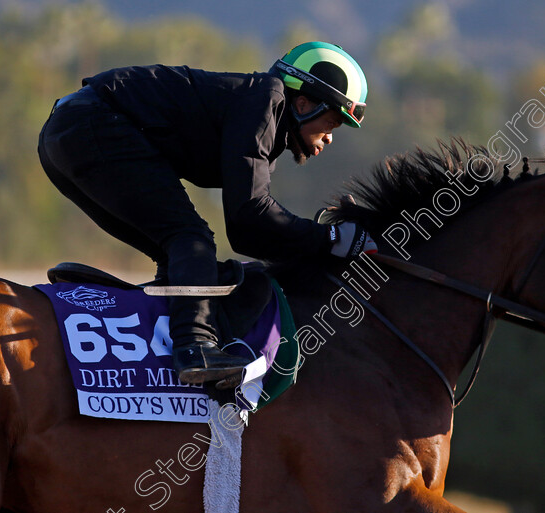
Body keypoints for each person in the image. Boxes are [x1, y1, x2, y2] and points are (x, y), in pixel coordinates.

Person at [37, 41, 376, 386]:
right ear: (303, 103)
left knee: (178, 250)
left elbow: (246, 232)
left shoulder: (262, 115)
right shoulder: (266, 100)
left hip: (65, 133)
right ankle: (195, 348)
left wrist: (319, 243)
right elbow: (251, 214)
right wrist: (331, 238)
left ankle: (125, 314)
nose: (330, 138)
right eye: (331, 122)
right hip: (91, 123)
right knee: (190, 239)